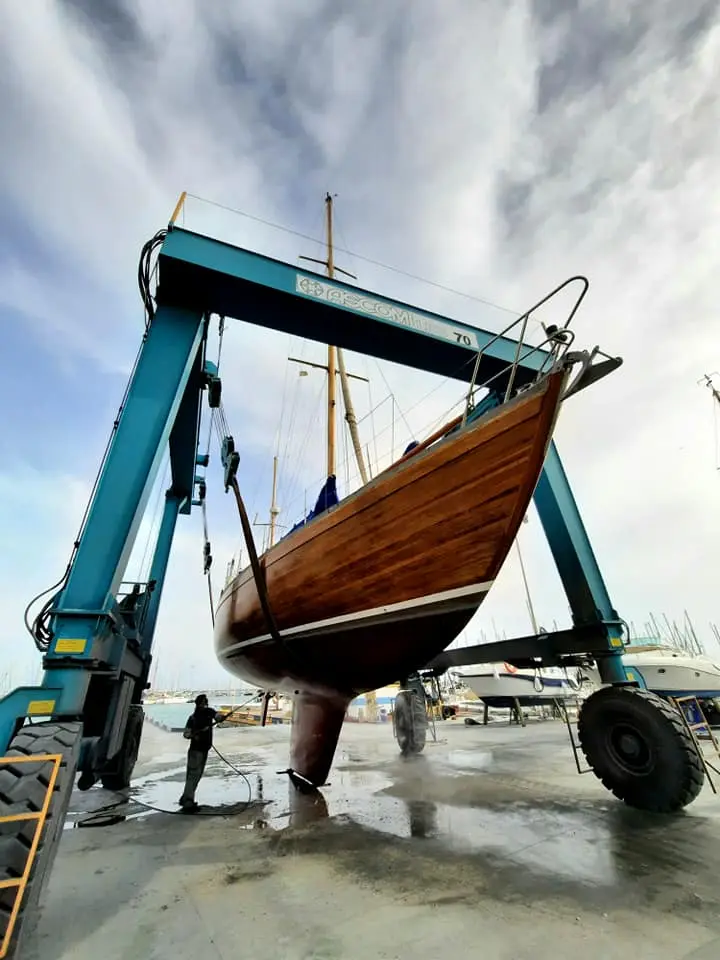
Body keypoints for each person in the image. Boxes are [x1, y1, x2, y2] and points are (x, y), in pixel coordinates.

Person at [179, 694, 228, 811]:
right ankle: (187, 801)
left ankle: (186, 798)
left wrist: (222, 717)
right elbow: (187, 734)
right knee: (193, 776)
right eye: (204, 702)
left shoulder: (195, 716)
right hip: (197, 751)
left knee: (194, 776)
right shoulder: (200, 715)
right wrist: (198, 732)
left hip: (199, 750)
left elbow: (186, 734)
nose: (204, 704)